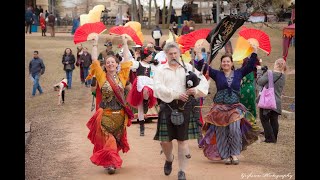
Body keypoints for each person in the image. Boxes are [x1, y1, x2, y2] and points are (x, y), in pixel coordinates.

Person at [153, 42, 209, 180]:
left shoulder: (188, 68)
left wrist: (195, 90)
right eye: (170, 53)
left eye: (175, 53)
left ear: (179, 54)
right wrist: (175, 94)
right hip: (167, 107)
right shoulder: (160, 70)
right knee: (165, 141)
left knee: (182, 142)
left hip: (185, 107)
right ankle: (169, 158)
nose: (173, 56)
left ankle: (182, 171)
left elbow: (203, 81)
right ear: (166, 55)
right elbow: (158, 88)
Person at [197, 45, 260, 165]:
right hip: (219, 109)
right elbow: (204, 68)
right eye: (223, 62)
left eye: (228, 61)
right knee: (221, 132)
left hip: (234, 108)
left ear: (231, 63)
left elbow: (250, 66)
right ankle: (225, 155)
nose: (225, 63)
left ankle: (234, 154)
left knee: (234, 130)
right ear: (221, 64)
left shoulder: (239, 73)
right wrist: (199, 54)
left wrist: (254, 52)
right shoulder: (217, 74)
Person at [86, 34, 134, 175]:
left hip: (120, 116)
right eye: (108, 63)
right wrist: (95, 44)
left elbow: (127, 60)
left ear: (117, 64)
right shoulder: (101, 77)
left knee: (115, 140)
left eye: (113, 62)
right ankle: (111, 163)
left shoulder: (123, 76)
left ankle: (110, 159)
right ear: (105, 66)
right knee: (109, 140)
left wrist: (125, 42)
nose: (111, 64)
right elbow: (95, 61)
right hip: (106, 114)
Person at [126, 47, 158, 136]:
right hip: (139, 84)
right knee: (140, 109)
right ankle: (142, 128)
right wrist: (125, 45)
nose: (152, 56)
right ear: (146, 56)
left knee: (146, 90)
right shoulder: (138, 64)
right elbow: (128, 60)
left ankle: (145, 102)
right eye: (150, 55)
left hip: (149, 85)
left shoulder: (152, 66)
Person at [256, 58, 286, 143]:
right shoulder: (283, 76)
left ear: (275, 64)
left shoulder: (270, 73)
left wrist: (259, 71)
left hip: (267, 100)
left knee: (264, 119)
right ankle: (274, 137)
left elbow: (259, 82)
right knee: (274, 120)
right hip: (277, 101)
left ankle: (270, 138)